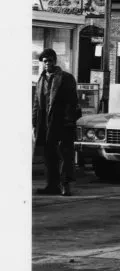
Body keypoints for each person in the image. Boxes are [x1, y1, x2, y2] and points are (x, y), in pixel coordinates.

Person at [32, 48, 81, 196]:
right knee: (49, 155)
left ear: (55, 61)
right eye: (44, 61)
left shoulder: (66, 78)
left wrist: (68, 120)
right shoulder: (41, 79)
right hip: (45, 123)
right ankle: (52, 185)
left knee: (64, 155)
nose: (47, 64)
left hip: (62, 122)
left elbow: (72, 102)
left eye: (50, 60)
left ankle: (65, 185)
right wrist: (34, 123)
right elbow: (36, 103)